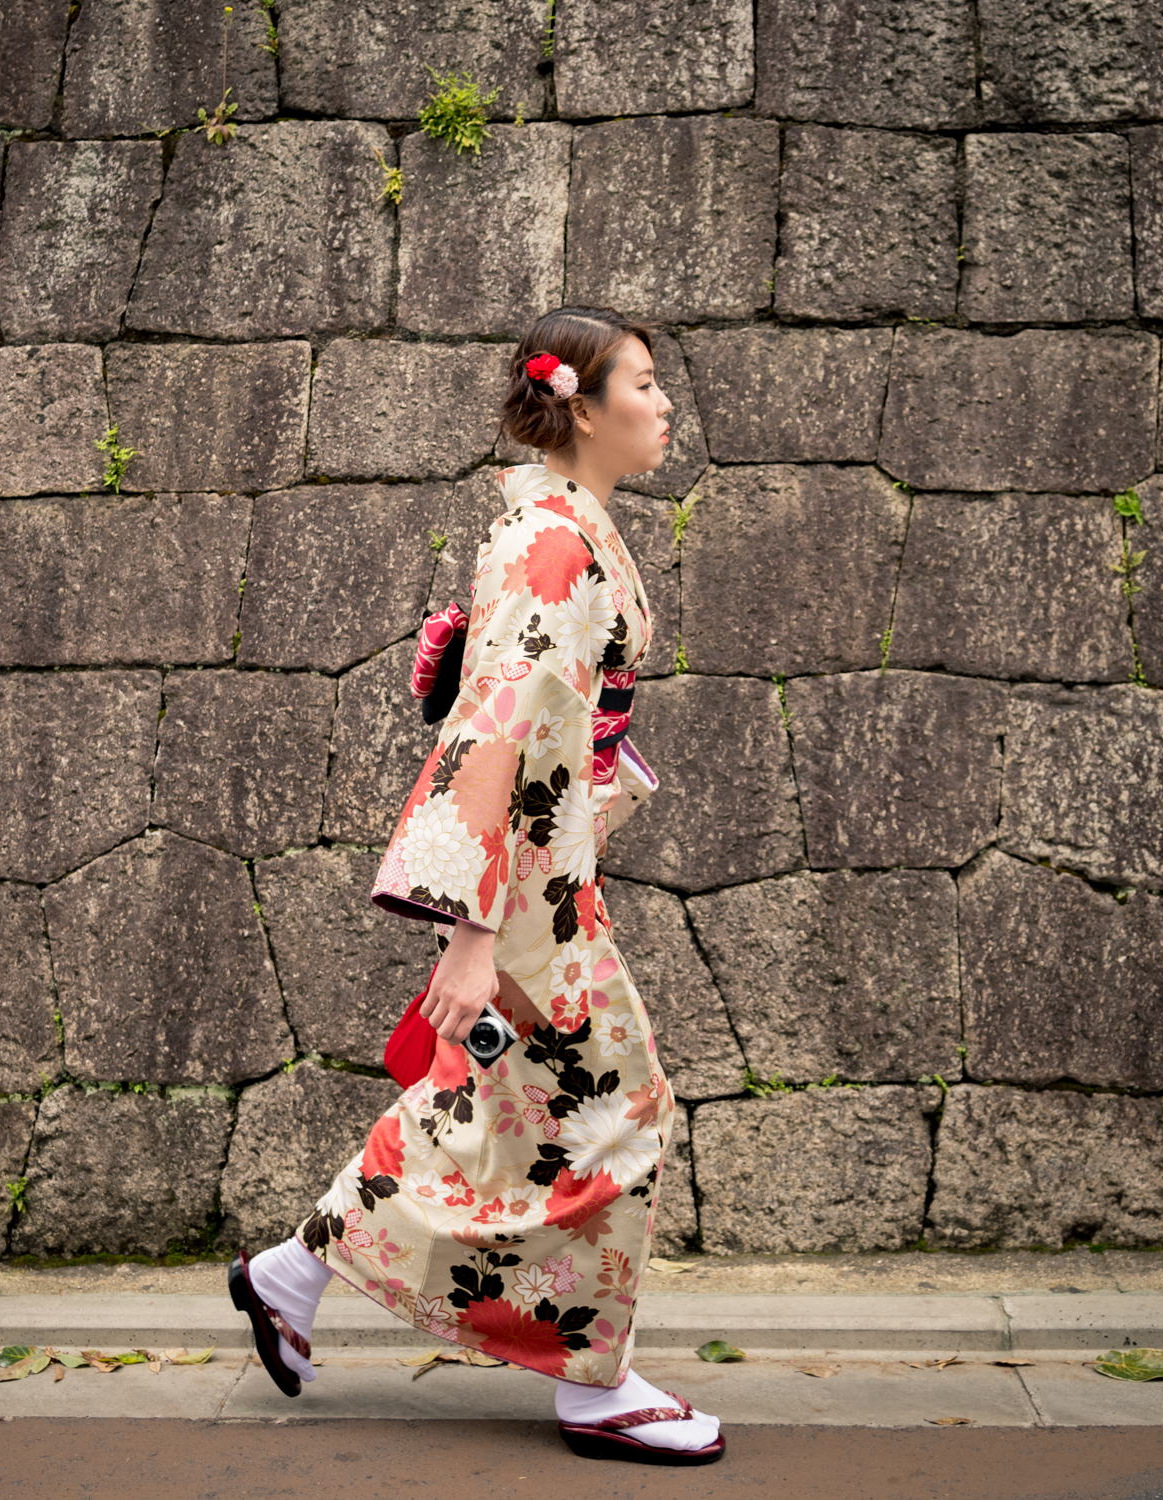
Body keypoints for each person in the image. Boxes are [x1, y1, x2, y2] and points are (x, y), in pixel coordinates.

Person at [229, 306, 724, 1466]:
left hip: (548, 882)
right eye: (643, 385)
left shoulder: (566, 528)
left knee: (489, 1117)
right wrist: (470, 930)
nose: (662, 406)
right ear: (584, 407)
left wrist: (600, 788)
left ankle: (291, 1274)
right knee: (617, 1116)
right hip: (526, 904)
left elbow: (544, 722)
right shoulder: (554, 542)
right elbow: (498, 729)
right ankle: (592, 1385)